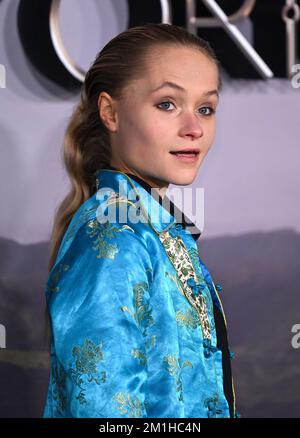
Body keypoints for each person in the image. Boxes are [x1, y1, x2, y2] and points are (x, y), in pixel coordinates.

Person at [43, 22, 240, 418]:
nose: (194, 128)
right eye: (167, 104)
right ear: (110, 112)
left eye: (206, 108)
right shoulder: (115, 235)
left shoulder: (153, 228)